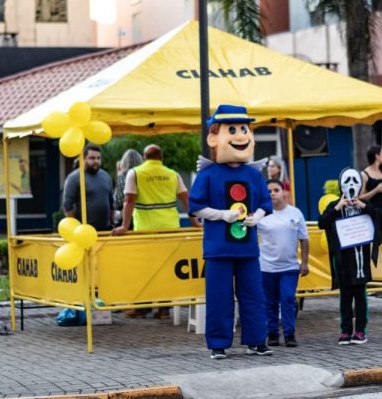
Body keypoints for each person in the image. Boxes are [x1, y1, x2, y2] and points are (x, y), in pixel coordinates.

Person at [189, 105, 274, 360]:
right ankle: (218, 343)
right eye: (233, 130)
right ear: (214, 137)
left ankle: (257, 341)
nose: (240, 136)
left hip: (247, 248)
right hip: (218, 249)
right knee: (219, 297)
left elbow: (264, 204)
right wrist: (222, 215)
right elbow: (195, 207)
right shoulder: (208, 174)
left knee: (254, 296)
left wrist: (255, 218)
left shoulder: (254, 174)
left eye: (244, 129)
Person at [112, 144, 198, 319]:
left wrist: (124, 226)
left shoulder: (135, 173)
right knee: (167, 268)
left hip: (145, 230)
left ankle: (143, 307)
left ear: (144, 158)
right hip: (170, 228)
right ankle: (164, 309)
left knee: (144, 269)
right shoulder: (172, 174)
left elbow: (128, 201)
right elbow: (186, 198)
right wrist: (194, 221)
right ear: (161, 158)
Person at [318, 167, 382, 346]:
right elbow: (322, 223)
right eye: (346, 181)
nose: (350, 185)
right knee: (345, 296)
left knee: (360, 295)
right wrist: (337, 208)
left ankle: (360, 330)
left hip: (360, 260)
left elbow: (380, 219)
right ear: (340, 184)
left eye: (354, 181)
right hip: (343, 260)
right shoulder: (334, 206)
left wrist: (364, 206)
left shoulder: (365, 207)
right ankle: (345, 330)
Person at [257, 179, 309, 348]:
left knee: (287, 299)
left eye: (276, 190)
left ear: (283, 192)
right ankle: (272, 334)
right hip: (266, 267)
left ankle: (289, 334)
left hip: (289, 267)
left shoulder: (295, 213)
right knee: (270, 302)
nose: (272, 193)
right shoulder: (260, 214)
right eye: (269, 191)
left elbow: (304, 239)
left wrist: (305, 263)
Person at [63, 144, 114, 231]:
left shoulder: (106, 176)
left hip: (106, 229)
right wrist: (75, 228)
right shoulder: (74, 177)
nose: (96, 161)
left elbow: (111, 203)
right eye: (92, 158)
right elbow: (67, 205)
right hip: (84, 231)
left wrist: (112, 223)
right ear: (83, 159)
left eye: (98, 158)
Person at [113, 149, 144, 226]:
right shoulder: (144, 176)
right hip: (144, 218)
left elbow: (118, 203)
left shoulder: (123, 177)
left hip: (127, 219)